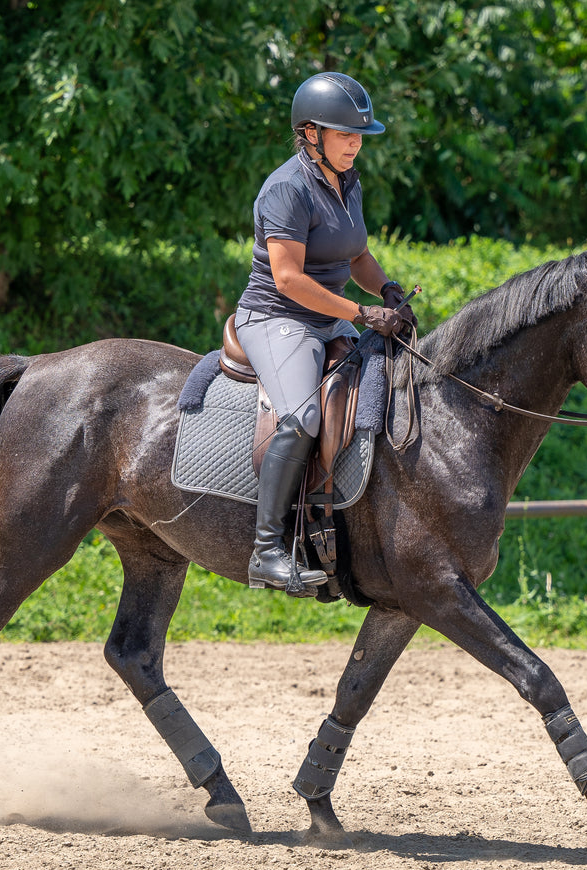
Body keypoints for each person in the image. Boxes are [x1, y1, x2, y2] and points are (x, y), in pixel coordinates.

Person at [233, 71, 413, 597]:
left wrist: (387, 290)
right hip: (277, 317)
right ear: (311, 133)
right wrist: (359, 312)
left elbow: (355, 253)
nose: (356, 143)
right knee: (303, 414)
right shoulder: (287, 188)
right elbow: (288, 279)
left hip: (328, 314)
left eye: (359, 135)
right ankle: (267, 551)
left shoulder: (347, 181)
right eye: (344, 134)